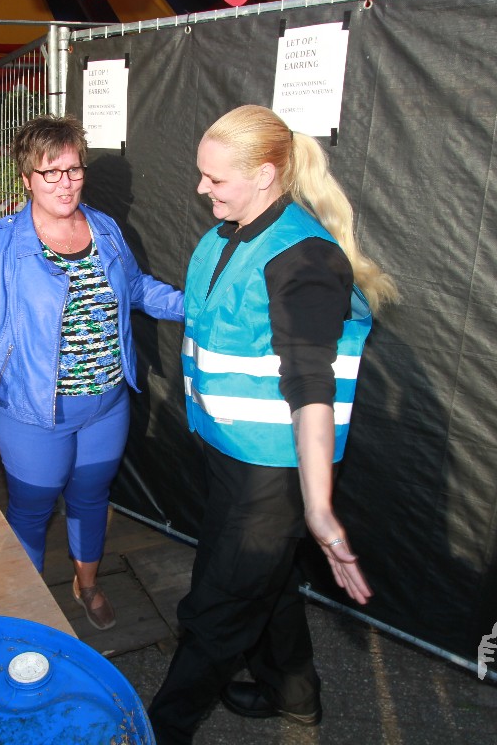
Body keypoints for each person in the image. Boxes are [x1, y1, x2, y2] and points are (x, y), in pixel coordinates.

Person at [147, 105, 397, 743]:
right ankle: (294, 693)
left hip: (275, 473)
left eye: (215, 179)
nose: (201, 188)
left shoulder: (303, 257)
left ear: (263, 175)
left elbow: (311, 390)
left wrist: (318, 508)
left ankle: (157, 730)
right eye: (202, 174)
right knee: (269, 579)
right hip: (230, 454)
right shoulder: (227, 235)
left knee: (218, 606)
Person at [0, 115, 182, 631]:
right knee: (31, 509)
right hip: (32, 412)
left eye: (73, 169)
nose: (65, 183)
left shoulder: (105, 228)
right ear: (27, 179)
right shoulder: (0, 244)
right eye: (51, 173)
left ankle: (86, 584)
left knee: (92, 497)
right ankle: (23, 612)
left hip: (107, 405)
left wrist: (194, 307)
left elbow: (137, 289)